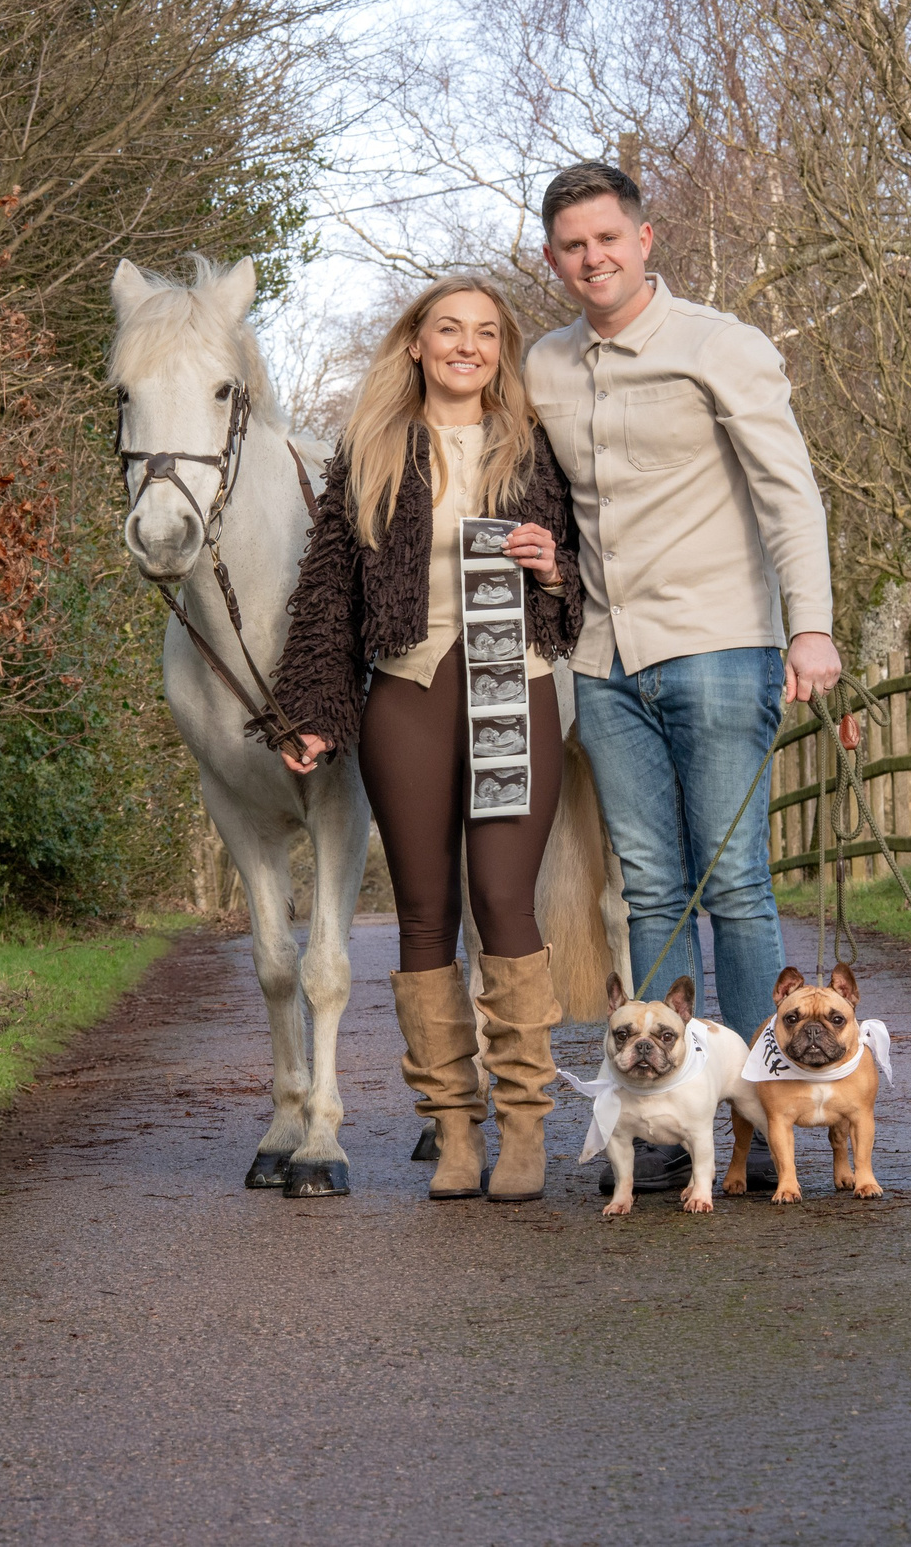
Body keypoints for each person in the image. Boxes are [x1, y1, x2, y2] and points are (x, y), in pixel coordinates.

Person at [525, 161, 846, 1193]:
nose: (593, 259)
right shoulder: (544, 366)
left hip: (717, 643)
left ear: (644, 238)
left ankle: (765, 1114)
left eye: (608, 239)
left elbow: (789, 495)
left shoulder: (720, 346)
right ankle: (669, 1120)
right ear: (552, 258)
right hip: (604, 660)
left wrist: (813, 630)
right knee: (652, 888)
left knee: (736, 882)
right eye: (573, 246)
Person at [270, 276, 581, 1203]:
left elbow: (578, 580)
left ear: (501, 350)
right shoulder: (371, 449)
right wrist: (312, 711)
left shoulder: (535, 447)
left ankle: (524, 1128)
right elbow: (329, 590)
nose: (467, 345)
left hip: (513, 690)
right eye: (449, 329)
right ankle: (452, 1131)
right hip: (406, 696)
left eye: (486, 333)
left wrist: (553, 567)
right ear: (416, 342)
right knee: (422, 910)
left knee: (503, 896)